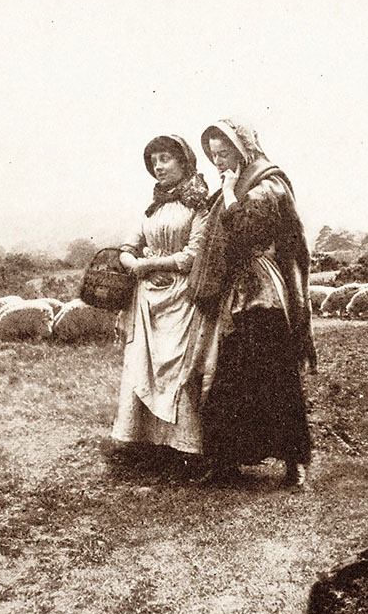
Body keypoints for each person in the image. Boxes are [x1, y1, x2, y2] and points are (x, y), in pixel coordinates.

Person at [186, 118, 317, 488]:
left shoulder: (268, 183)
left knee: (276, 374)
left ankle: (295, 462)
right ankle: (226, 460)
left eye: (224, 152)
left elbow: (245, 232)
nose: (218, 162)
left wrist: (228, 194)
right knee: (229, 376)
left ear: (243, 148)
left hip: (264, 291)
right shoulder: (237, 184)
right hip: (236, 293)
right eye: (212, 155)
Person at [111, 135, 211, 463]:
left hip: (182, 298)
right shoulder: (152, 208)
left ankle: (183, 448)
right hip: (145, 298)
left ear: (185, 163)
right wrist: (135, 264)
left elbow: (193, 254)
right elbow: (128, 247)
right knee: (144, 367)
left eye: (165, 158)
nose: (158, 166)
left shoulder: (199, 206)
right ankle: (144, 444)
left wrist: (150, 264)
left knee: (177, 369)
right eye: (154, 161)